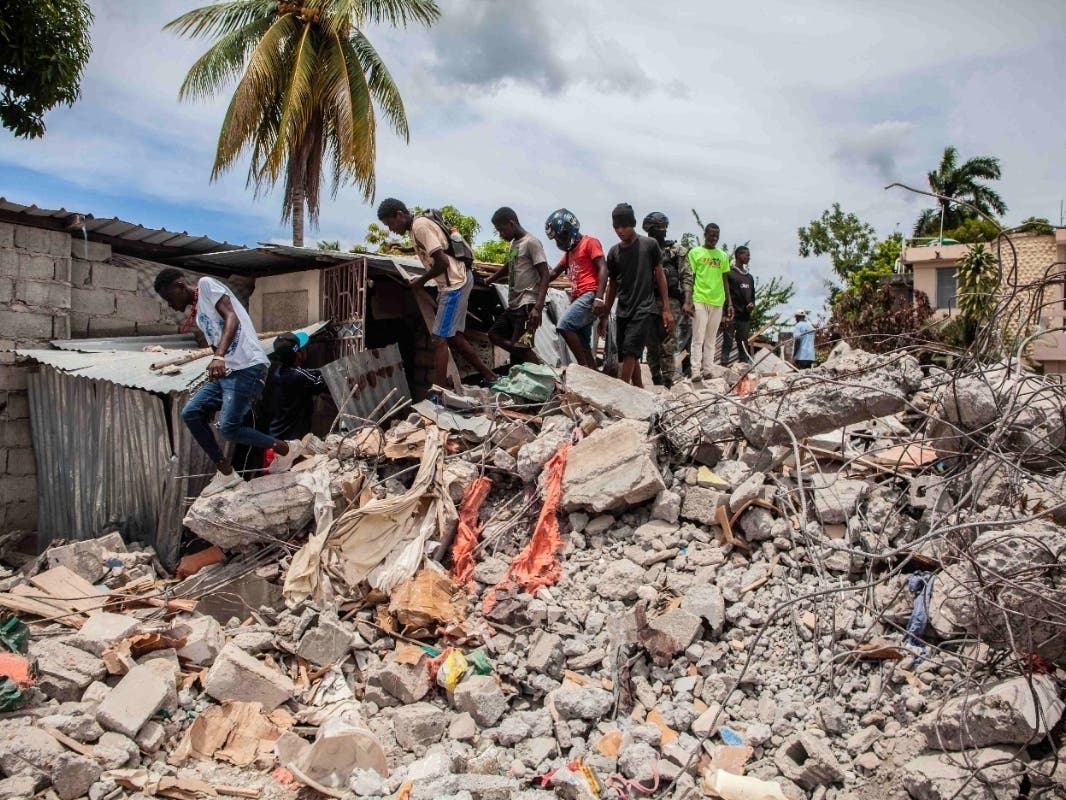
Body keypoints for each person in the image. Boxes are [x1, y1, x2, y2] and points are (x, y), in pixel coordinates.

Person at [153, 269, 298, 494]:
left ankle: (285, 448)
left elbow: (232, 317)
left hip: (248, 367)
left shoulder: (207, 284)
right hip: (229, 373)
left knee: (229, 429)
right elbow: (215, 346)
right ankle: (226, 473)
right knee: (191, 412)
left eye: (170, 298)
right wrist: (212, 398)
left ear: (181, 285)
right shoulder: (200, 315)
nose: (170, 305)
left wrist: (219, 356)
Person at [376, 198, 497, 390]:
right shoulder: (417, 228)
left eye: (390, 223)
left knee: (439, 338)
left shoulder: (420, 226)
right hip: (456, 281)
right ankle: (490, 376)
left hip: (454, 284)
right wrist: (405, 249)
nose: (391, 229)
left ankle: (439, 392)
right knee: (453, 336)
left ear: (399, 214)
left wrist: (420, 282)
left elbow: (442, 262)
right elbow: (432, 248)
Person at [600, 203, 674, 388]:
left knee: (631, 351)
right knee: (626, 353)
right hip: (623, 309)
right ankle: (639, 389)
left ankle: (623, 389)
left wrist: (666, 308)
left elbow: (660, 275)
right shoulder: (614, 252)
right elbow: (613, 285)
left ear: (632, 224)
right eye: (616, 227)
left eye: (624, 226)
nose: (620, 230)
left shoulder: (649, 245)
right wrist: (605, 315)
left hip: (644, 307)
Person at [545, 209, 608, 369]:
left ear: (570, 230)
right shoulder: (568, 254)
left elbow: (603, 268)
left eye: (561, 237)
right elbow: (553, 273)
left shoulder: (589, 243)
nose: (559, 242)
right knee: (583, 344)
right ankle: (594, 378)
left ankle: (583, 368)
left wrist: (599, 298)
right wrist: (537, 278)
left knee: (564, 325)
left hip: (589, 295)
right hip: (578, 298)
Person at [485, 207, 550, 365]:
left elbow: (545, 274)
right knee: (494, 334)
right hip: (514, 305)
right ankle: (526, 355)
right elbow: (510, 265)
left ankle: (537, 366)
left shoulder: (531, 242)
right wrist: (490, 279)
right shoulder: (514, 244)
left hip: (527, 305)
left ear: (511, 223)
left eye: (502, 229)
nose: (501, 234)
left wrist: (538, 308)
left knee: (519, 353)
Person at [641, 212, 690, 387]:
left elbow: (686, 277)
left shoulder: (676, 250)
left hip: (673, 301)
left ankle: (668, 381)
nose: (660, 231)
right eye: (656, 228)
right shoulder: (643, 250)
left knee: (669, 342)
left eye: (662, 228)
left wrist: (687, 301)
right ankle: (656, 380)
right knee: (651, 342)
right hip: (649, 301)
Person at [686, 223, 733, 380]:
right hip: (699, 298)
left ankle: (708, 369)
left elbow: (725, 280)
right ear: (705, 234)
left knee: (711, 338)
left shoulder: (723, 256)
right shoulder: (695, 253)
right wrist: (689, 299)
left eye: (716, 236)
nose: (714, 238)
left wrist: (729, 303)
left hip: (717, 301)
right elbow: (690, 277)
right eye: (711, 235)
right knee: (698, 337)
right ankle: (695, 371)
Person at [270, 331, 329, 440]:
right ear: (298, 354)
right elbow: (323, 384)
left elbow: (308, 372)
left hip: (277, 433)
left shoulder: (278, 372)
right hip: (293, 438)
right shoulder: (298, 376)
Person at [722, 245, 756, 365]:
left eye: (749, 255)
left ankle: (744, 366)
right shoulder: (729, 274)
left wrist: (752, 304)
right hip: (731, 315)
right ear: (738, 256)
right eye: (746, 254)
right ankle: (723, 365)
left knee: (743, 342)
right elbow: (725, 294)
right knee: (728, 341)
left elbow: (752, 297)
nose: (748, 257)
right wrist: (724, 314)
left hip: (745, 317)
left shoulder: (749, 278)